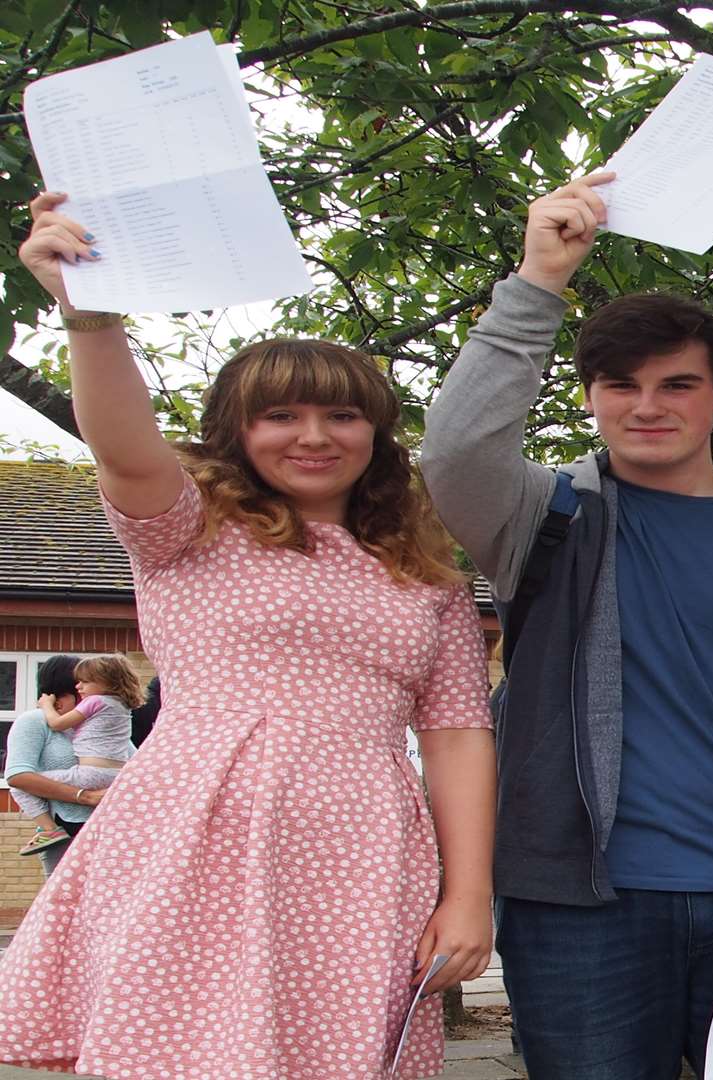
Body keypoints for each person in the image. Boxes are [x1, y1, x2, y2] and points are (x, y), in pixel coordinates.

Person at [0, 192, 498, 1080]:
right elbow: (123, 447)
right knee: (186, 1053)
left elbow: (458, 736)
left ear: (376, 434)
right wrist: (90, 313)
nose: (315, 436)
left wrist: (469, 895)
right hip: (197, 832)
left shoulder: (429, 579)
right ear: (237, 430)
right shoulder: (186, 529)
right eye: (282, 417)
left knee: (338, 1055)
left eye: (343, 416)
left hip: (361, 847)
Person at [420, 173, 713, 1080]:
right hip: (576, 904)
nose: (646, 405)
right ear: (590, 394)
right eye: (618, 384)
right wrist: (537, 280)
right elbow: (455, 450)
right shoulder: (542, 519)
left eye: (677, 384)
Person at [18, 654, 142, 855]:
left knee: (21, 787)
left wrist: (46, 706)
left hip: (92, 791)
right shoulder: (119, 709)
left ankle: (48, 829)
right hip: (105, 788)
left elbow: (57, 724)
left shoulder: (95, 706)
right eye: (77, 683)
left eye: (84, 682)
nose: (80, 688)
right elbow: (137, 762)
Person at [4, 656, 99, 876]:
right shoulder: (34, 722)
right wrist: (86, 796)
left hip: (109, 828)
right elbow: (18, 776)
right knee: (65, 904)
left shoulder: (94, 724)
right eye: (80, 686)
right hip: (66, 832)